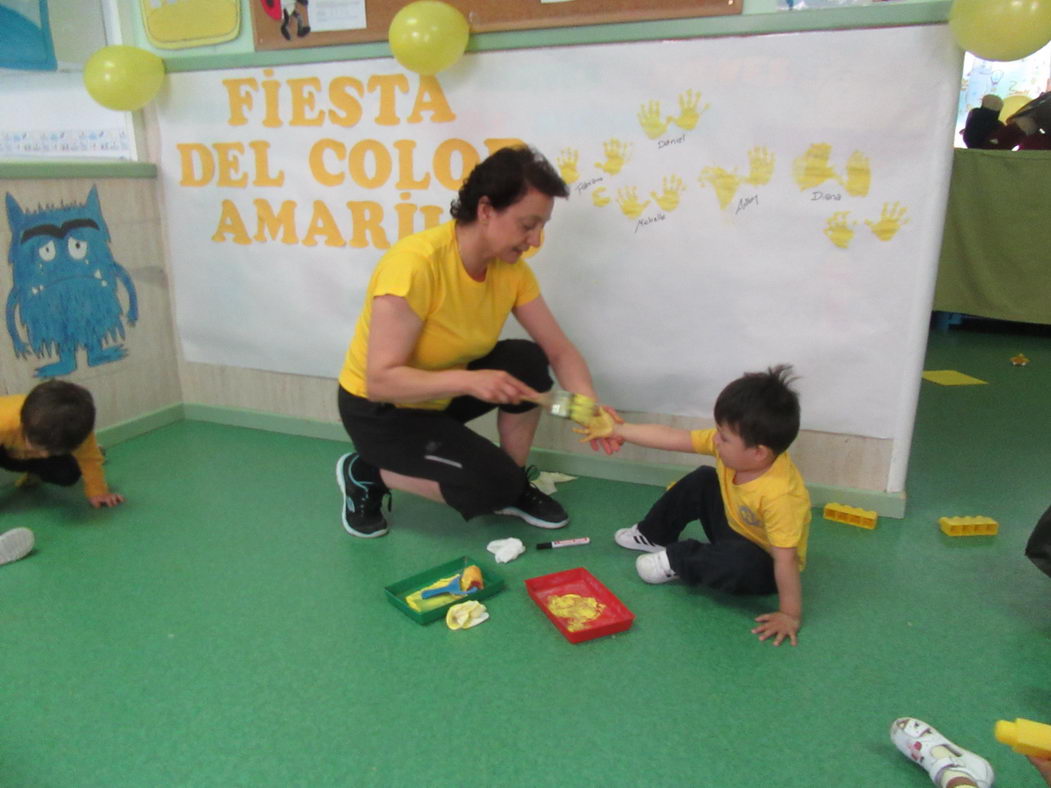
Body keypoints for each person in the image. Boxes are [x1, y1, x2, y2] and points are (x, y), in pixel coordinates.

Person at [335, 145, 615, 538]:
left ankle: (512, 484)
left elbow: (559, 350)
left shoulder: (511, 271)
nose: (536, 240)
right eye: (527, 224)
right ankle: (366, 470)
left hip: (437, 398)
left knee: (527, 359)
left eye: (542, 226)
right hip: (381, 410)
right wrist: (468, 381)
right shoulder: (415, 265)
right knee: (490, 486)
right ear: (486, 210)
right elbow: (381, 380)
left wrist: (588, 407)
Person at [578, 364, 810, 646]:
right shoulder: (733, 449)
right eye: (718, 431)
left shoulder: (780, 495)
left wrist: (789, 614)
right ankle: (653, 534)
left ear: (758, 452)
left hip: (763, 562)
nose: (715, 439)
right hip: (734, 526)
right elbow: (674, 438)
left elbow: (785, 561)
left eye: (724, 437)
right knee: (703, 478)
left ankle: (678, 559)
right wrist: (619, 429)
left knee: (740, 562)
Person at [0, 380, 124, 509]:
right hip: (5, 451)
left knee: (68, 474)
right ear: (24, 425)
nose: (44, 455)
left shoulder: (78, 428)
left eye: (51, 451)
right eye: (38, 447)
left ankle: (37, 471)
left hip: (22, 451)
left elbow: (90, 460)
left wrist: (98, 492)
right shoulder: (3, 423)